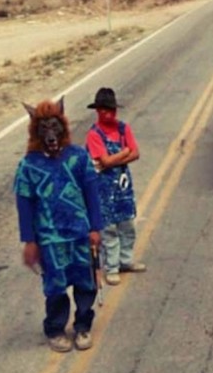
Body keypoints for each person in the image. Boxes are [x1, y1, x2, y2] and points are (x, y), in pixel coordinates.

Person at [14, 98, 103, 352]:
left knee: (86, 281)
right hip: (50, 238)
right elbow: (24, 204)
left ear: (63, 128)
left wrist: (95, 227)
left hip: (80, 233)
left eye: (55, 127)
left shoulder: (78, 157)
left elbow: (91, 193)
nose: (51, 135)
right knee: (55, 284)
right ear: (36, 132)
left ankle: (83, 326)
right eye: (44, 129)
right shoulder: (29, 166)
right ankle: (55, 328)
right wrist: (29, 241)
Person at [85, 88, 145, 286]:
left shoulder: (123, 128)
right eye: (103, 110)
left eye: (109, 110)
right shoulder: (94, 134)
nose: (107, 114)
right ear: (98, 111)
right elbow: (105, 160)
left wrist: (116, 158)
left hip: (122, 186)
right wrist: (124, 152)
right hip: (103, 188)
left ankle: (125, 261)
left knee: (127, 225)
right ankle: (111, 267)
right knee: (108, 229)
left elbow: (136, 154)